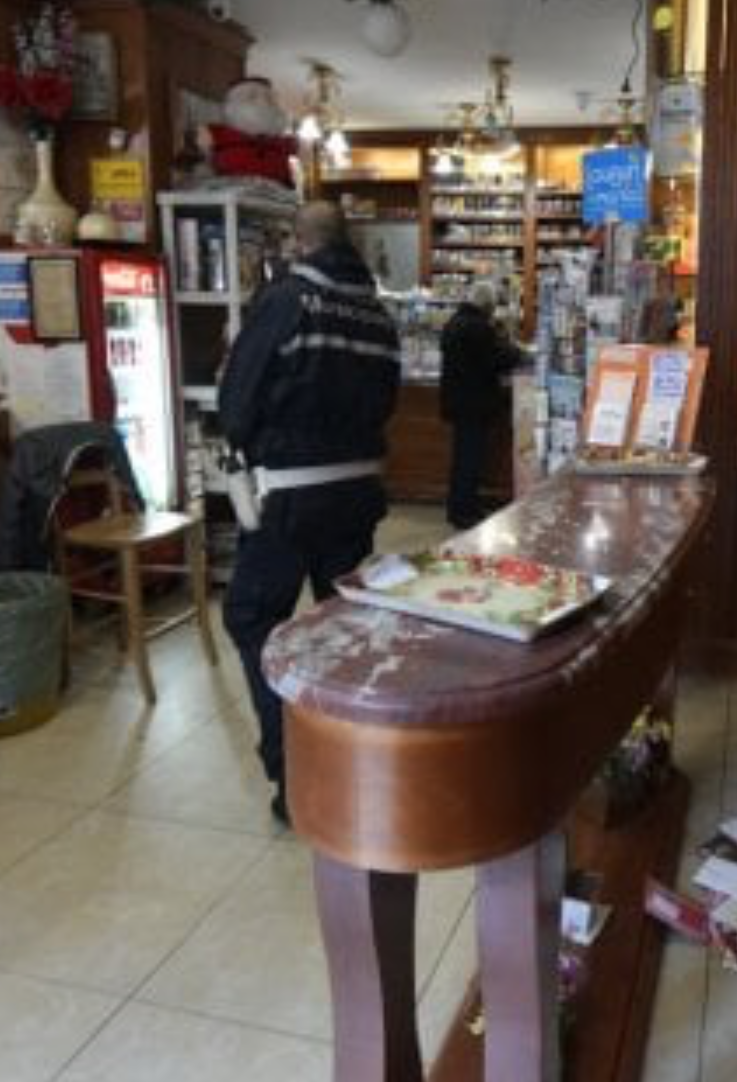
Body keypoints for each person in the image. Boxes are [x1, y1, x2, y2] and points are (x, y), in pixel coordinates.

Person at [219, 201, 400, 824]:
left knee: (253, 615)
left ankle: (295, 775)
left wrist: (242, 442)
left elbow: (237, 400)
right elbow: (386, 401)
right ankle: (350, 761)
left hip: (289, 491)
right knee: (339, 625)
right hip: (357, 491)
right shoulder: (377, 316)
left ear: (300, 242)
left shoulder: (287, 300)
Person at [439, 280, 524, 529]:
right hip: (474, 403)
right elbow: (495, 359)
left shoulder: (455, 322)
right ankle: (463, 511)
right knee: (470, 460)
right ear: (487, 305)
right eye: (493, 306)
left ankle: (463, 506)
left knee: (463, 458)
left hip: (458, 401)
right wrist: (517, 354)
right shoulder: (478, 327)